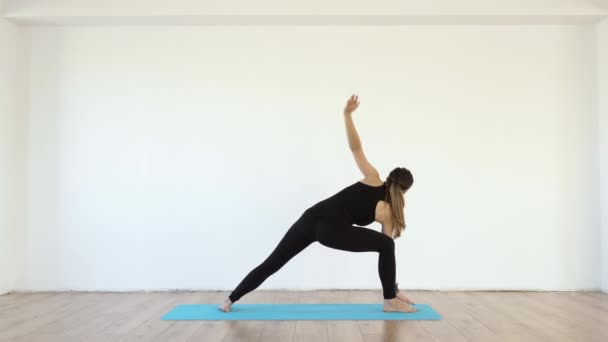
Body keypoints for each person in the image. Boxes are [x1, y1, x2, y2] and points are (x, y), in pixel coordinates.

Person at [219, 95, 416, 313]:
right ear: (405, 190)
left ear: (389, 178)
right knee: (387, 245)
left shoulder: (372, 176)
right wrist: (392, 289)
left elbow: (356, 148)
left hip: (311, 217)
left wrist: (347, 115)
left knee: (273, 262)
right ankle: (390, 300)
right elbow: (387, 252)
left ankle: (229, 300)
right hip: (331, 231)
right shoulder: (387, 211)